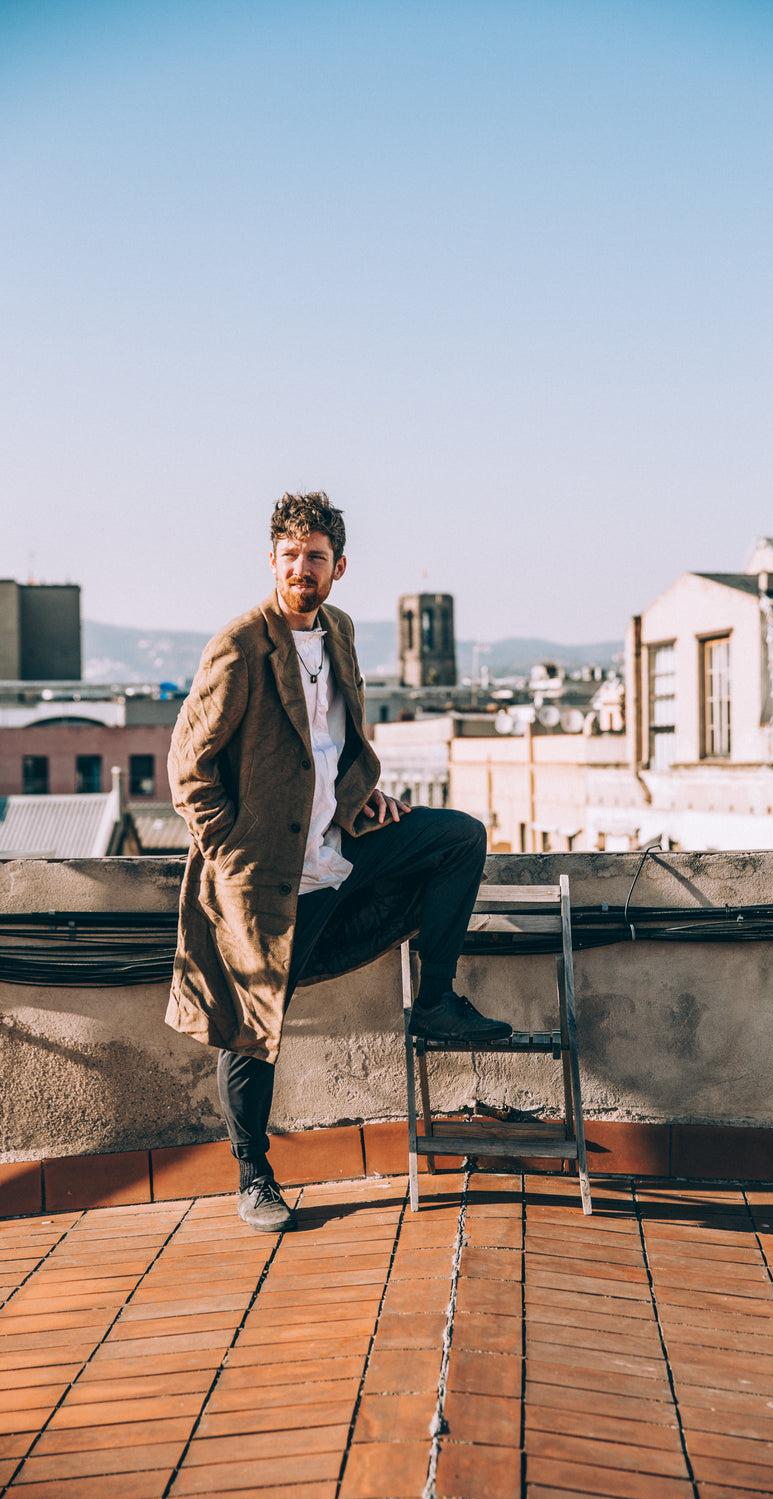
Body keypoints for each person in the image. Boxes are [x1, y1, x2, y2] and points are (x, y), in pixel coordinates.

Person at [167, 490, 512, 1231]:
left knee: (457, 837)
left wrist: (364, 796)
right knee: (254, 1024)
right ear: (272, 562)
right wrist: (233, 852)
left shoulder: (342, 632)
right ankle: (253, 1175)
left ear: (338, 567)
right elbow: (189, 769)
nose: (302, 568)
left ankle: (437, 1001)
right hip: (264, 873)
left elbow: (338, 741)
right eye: (290, 556)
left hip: (338, 846)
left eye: (315, 557)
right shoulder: (240, 644)